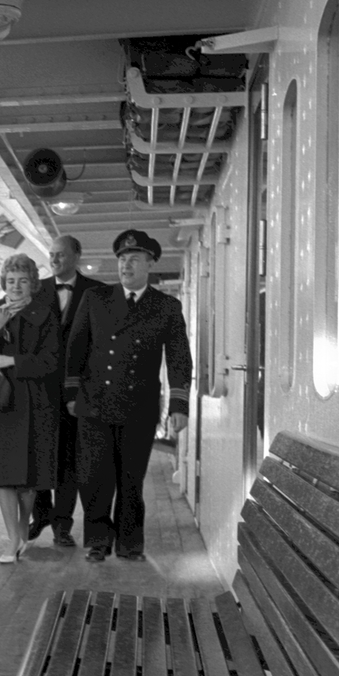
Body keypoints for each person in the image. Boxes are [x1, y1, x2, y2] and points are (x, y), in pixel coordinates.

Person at [65, 229, 193, 563]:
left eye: (134, 259)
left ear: (150, 263)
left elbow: (179, 357)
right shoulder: (96, 299)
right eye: (122, 259)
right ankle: (98, 541)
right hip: (95, 402)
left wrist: (179, 404)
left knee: (130, 480)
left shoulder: (166, 306)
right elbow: (76, 347)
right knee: (95, 478)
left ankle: (130, 544)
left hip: (139, 406)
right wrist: (71, 392)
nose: (126, 265)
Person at [0, 254, 60, 563]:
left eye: (23, 281)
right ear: (3, 283)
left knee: (28, 480)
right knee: (4, 475)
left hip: (34, 403)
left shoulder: (45, 315)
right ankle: (12, 539)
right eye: (10, 281)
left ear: (33, 283)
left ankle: (23, 527)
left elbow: (53, 361)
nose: (16, 286)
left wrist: (14, 360)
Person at [28, 236, 104, 547]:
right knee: (38, 455)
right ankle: (40, 515)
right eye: (52, 255)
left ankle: (62, 524)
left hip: (77, 389)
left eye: (60, 254)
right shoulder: (36, 290)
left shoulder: (98, 292)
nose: (54, 260)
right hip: (39, 388)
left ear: (77, 255)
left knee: (70, 459)